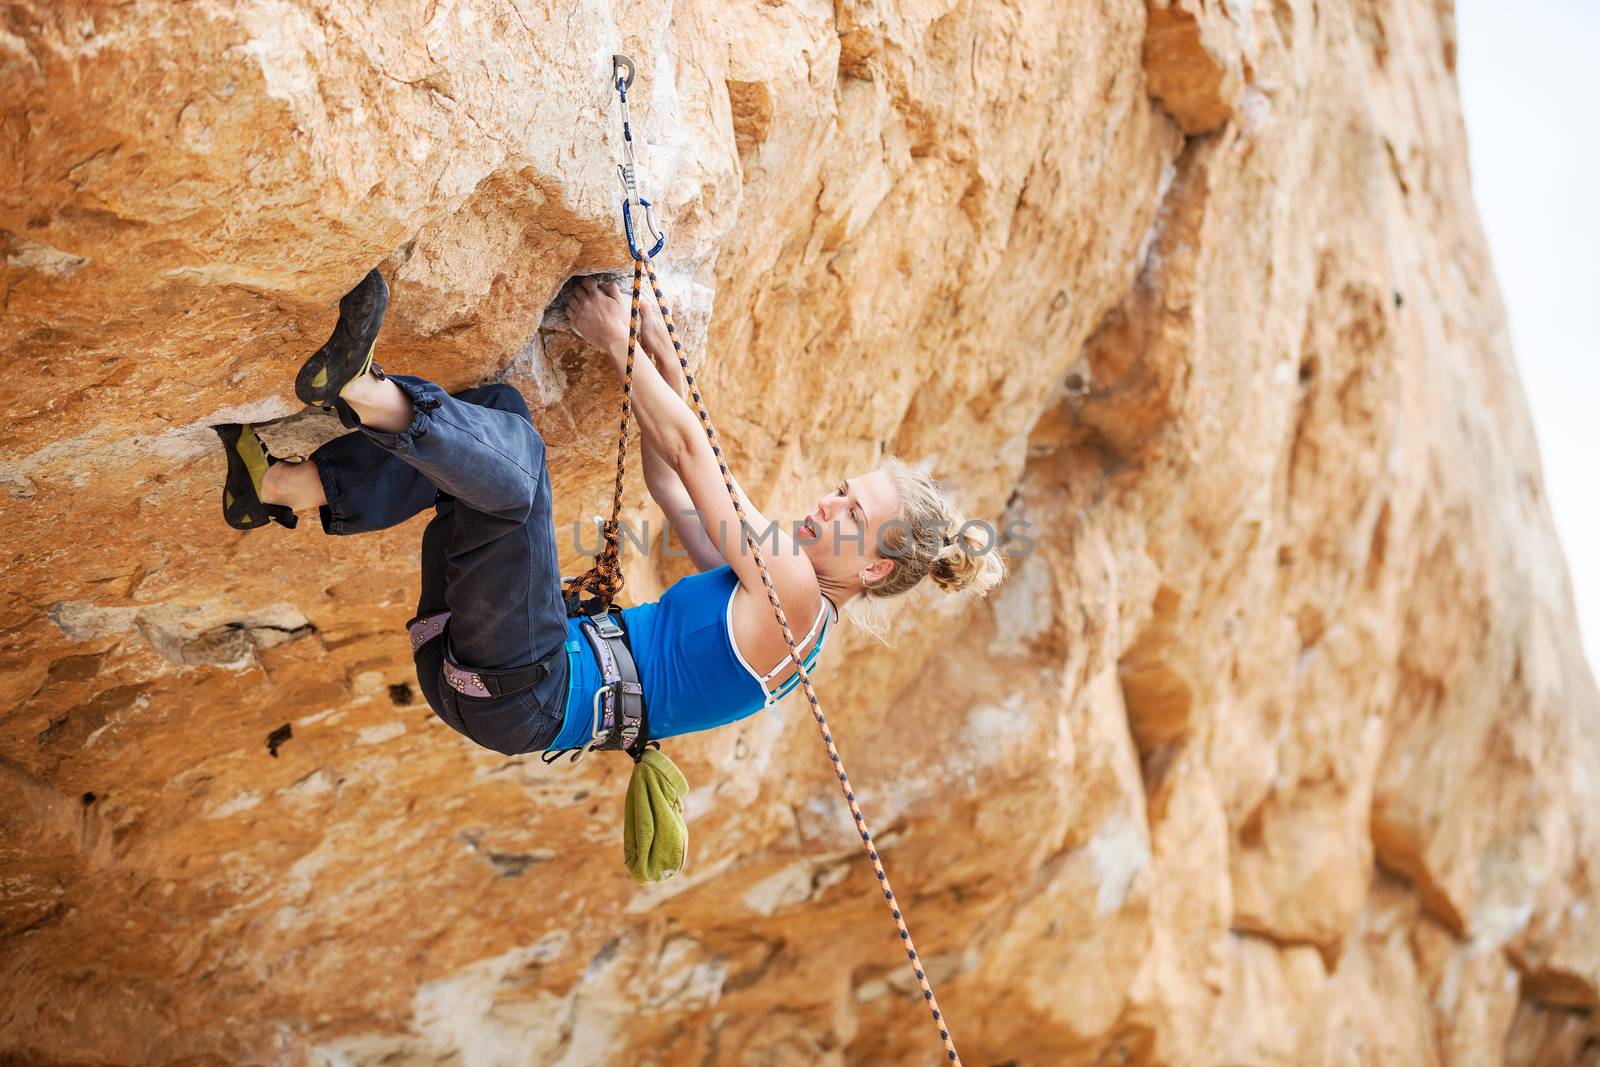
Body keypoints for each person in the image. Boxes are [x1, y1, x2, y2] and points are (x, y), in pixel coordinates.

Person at [211, 270, 1006, 757]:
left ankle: (354, 385)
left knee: (518, 473)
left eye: (851, 508)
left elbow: (699, 458)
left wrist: (618, 340)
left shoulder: (798, 596)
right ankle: (280, 487)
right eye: (843, 487)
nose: (829, 500)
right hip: (506, 677)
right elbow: (673, 486)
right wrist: (655, 349)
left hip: (527, 684)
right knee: (496, 416)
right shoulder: (779, 601)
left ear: (871, 565)